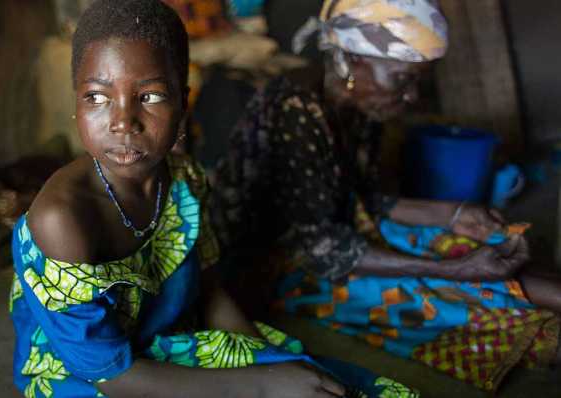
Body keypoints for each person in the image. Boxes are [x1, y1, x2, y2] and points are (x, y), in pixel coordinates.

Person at [8, 1, 419, 397]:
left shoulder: (183, 179)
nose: (122, 122)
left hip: (165, 339)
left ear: (183, 103)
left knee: (324, 383)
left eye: (149, 96)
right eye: (96, 97)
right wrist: (261, 385)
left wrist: (266, 360)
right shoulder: (64, 219)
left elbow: (208, 287)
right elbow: (112, 376)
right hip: (96, 376)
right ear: (76, 103)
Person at [210, 0, 561, 392]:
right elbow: (321, 250)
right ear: (352, 61)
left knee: (474, 243)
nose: (410, 96)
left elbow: (360, 199)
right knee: (441, 290)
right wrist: (450, 271)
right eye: (401, 79)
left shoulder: (358, 102)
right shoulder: (296, 107)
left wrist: (451, 213)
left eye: (415, 81)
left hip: (334, 234)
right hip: (274, 265)